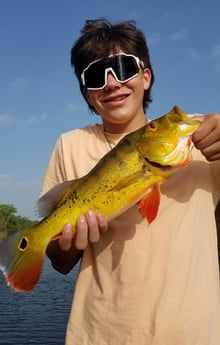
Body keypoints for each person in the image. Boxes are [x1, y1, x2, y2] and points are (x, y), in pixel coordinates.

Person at [41, 18, 220, 345]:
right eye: (96, 75)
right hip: (98, 334)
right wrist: (67, 243)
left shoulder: (198, 139)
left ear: (146, 77)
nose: (111, 83)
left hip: (193, 334)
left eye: (123, 67)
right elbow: (59, 261)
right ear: (87, 92)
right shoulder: (70, 144)